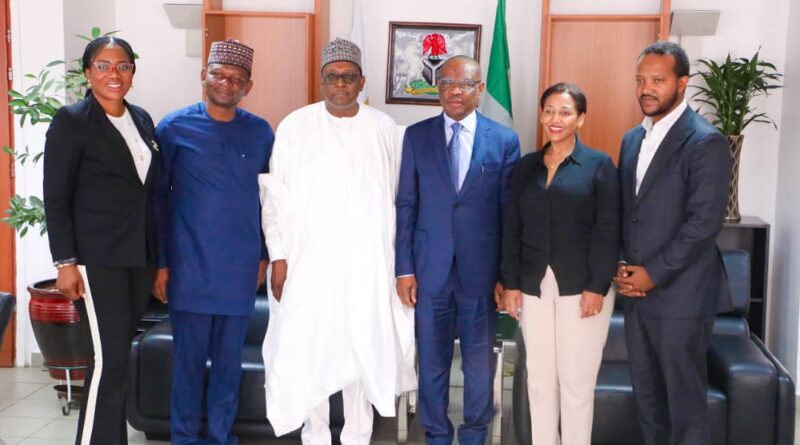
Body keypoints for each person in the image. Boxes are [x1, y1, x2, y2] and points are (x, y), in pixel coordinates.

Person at [260, 37, 415, 445]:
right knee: (308, 349)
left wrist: (400, 265)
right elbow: (275, 197)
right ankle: (314, 436)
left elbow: (403, 201)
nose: (341, 84)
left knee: (362, 347)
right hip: (309, 263)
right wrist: (278, 256)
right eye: (333, 77)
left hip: (368, 264)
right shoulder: (295, 126)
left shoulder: (385, 130)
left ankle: (357, 435)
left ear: (362, 81)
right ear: (322, 81)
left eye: (349, 77)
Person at [152, 39, 274, 445]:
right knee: (187, 362)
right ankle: (185, 438)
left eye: (236, 78)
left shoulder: (260, 132)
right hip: (189, 266)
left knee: (228, 364)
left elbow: (267, 202)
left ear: (248, 86)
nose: (226, 83)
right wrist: (162, 263)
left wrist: (263, 255)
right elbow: (157, 200)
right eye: (218, 74)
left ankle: (221, 437)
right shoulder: (173, 128)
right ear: (203, 75)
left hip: (239, 268)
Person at [395, 55, 520, 445]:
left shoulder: (503, 140)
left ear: (480, 89)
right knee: (431, 362)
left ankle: (474, 435)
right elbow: (407, 206)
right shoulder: (416, 136)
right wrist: (404, 269)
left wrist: (506, 276)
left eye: (463, 83)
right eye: (446, 81)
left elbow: (509, 215)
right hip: (429, 270)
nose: (453, 90)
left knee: (479, 365)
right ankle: (435, 434)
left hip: (481, 273)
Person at [615, 41, 732, 445]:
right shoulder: (631, 139)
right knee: (648, 403)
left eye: (658, 81)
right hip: (636, 296)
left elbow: (703, 224)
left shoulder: (706, 142)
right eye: (641, 80)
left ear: (682, 84)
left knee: (684, 408)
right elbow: (625, 210)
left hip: (681, 298)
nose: (647, 89)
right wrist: (624, 267)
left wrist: (653, 274)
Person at [43, 36, 158, 445]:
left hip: (138, 258)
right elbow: (56, 197)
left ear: (132, 72)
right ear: (88, 71)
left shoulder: (142, 119)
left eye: (123, 65)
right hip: (97, 259)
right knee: (109, 360)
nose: (115, 73)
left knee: (115, 360)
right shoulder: (71, 121)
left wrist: (158, 259)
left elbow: (150, 192)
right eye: (104, 65)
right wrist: (65, 262)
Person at [499, 83, 619, 445]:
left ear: (580, 119)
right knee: (538, 380)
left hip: (582, 288)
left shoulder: (599, 165)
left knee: (576, 384)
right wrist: (510, 284)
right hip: (533, 285)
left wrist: (597, 287)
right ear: (541, 115)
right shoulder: (525, 167)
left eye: (565, 112)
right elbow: (512, 227)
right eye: (549, 110)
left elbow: (608, 230)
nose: (556, 119)